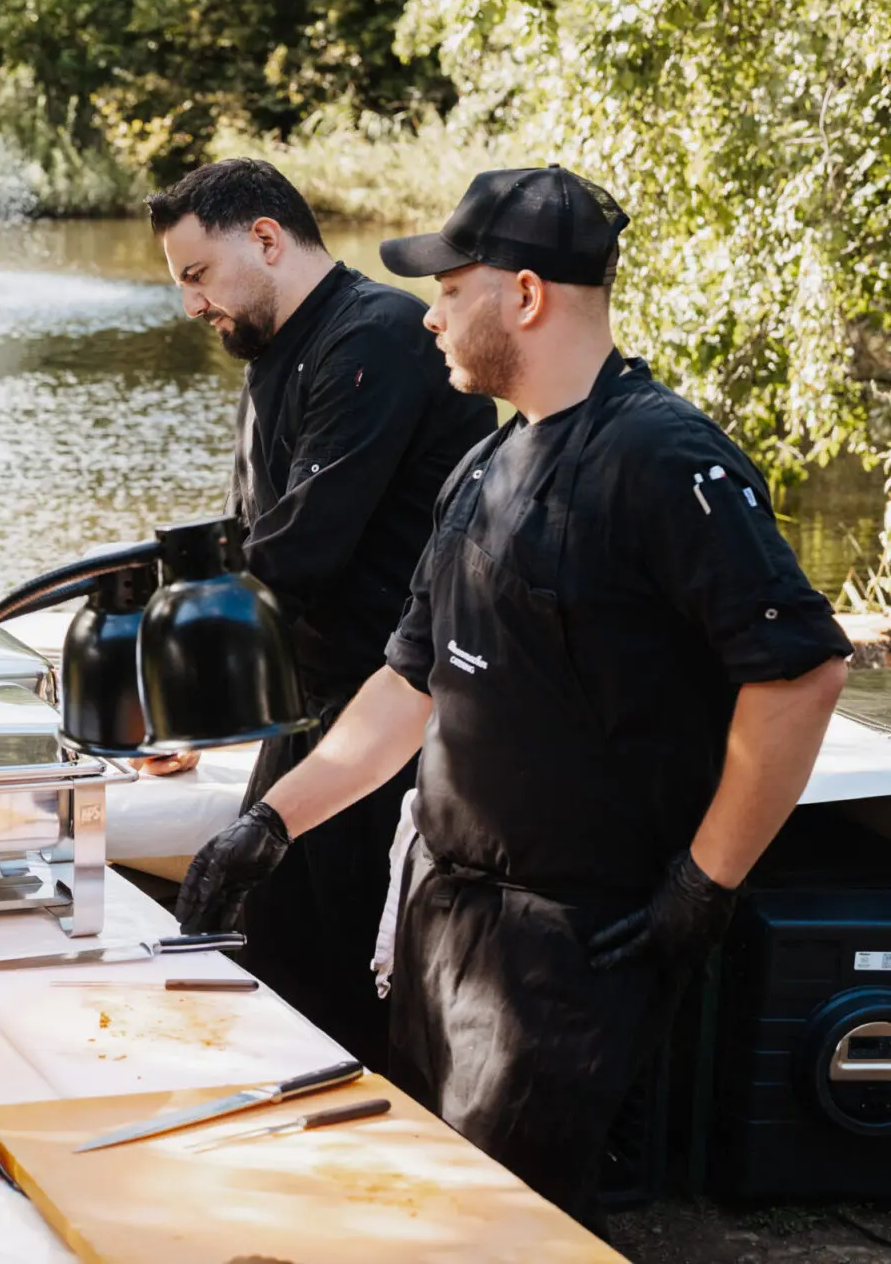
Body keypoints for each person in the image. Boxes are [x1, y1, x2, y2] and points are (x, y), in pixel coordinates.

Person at [177, 164, 851, 1225]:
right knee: (420, 1200)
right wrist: (270, 824)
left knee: (498, 1228)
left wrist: (703, 884)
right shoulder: (482, 467)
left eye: (451, 290)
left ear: (525, 295)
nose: (430, 315)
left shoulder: (661, 457)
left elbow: (801, 671)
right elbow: (409, 683)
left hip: (570, 945)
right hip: (445, 920)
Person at [144, 159, 494, 1071]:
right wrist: (193, 717)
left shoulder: (376, 336)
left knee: (334, 991)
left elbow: (296, 555)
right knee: (266, 955)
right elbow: (252, 541)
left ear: (265, 239)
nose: (191, 303)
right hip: (310, 709)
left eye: (196, 274)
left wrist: (154, 685)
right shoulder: (273, 349)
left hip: (399, 719)